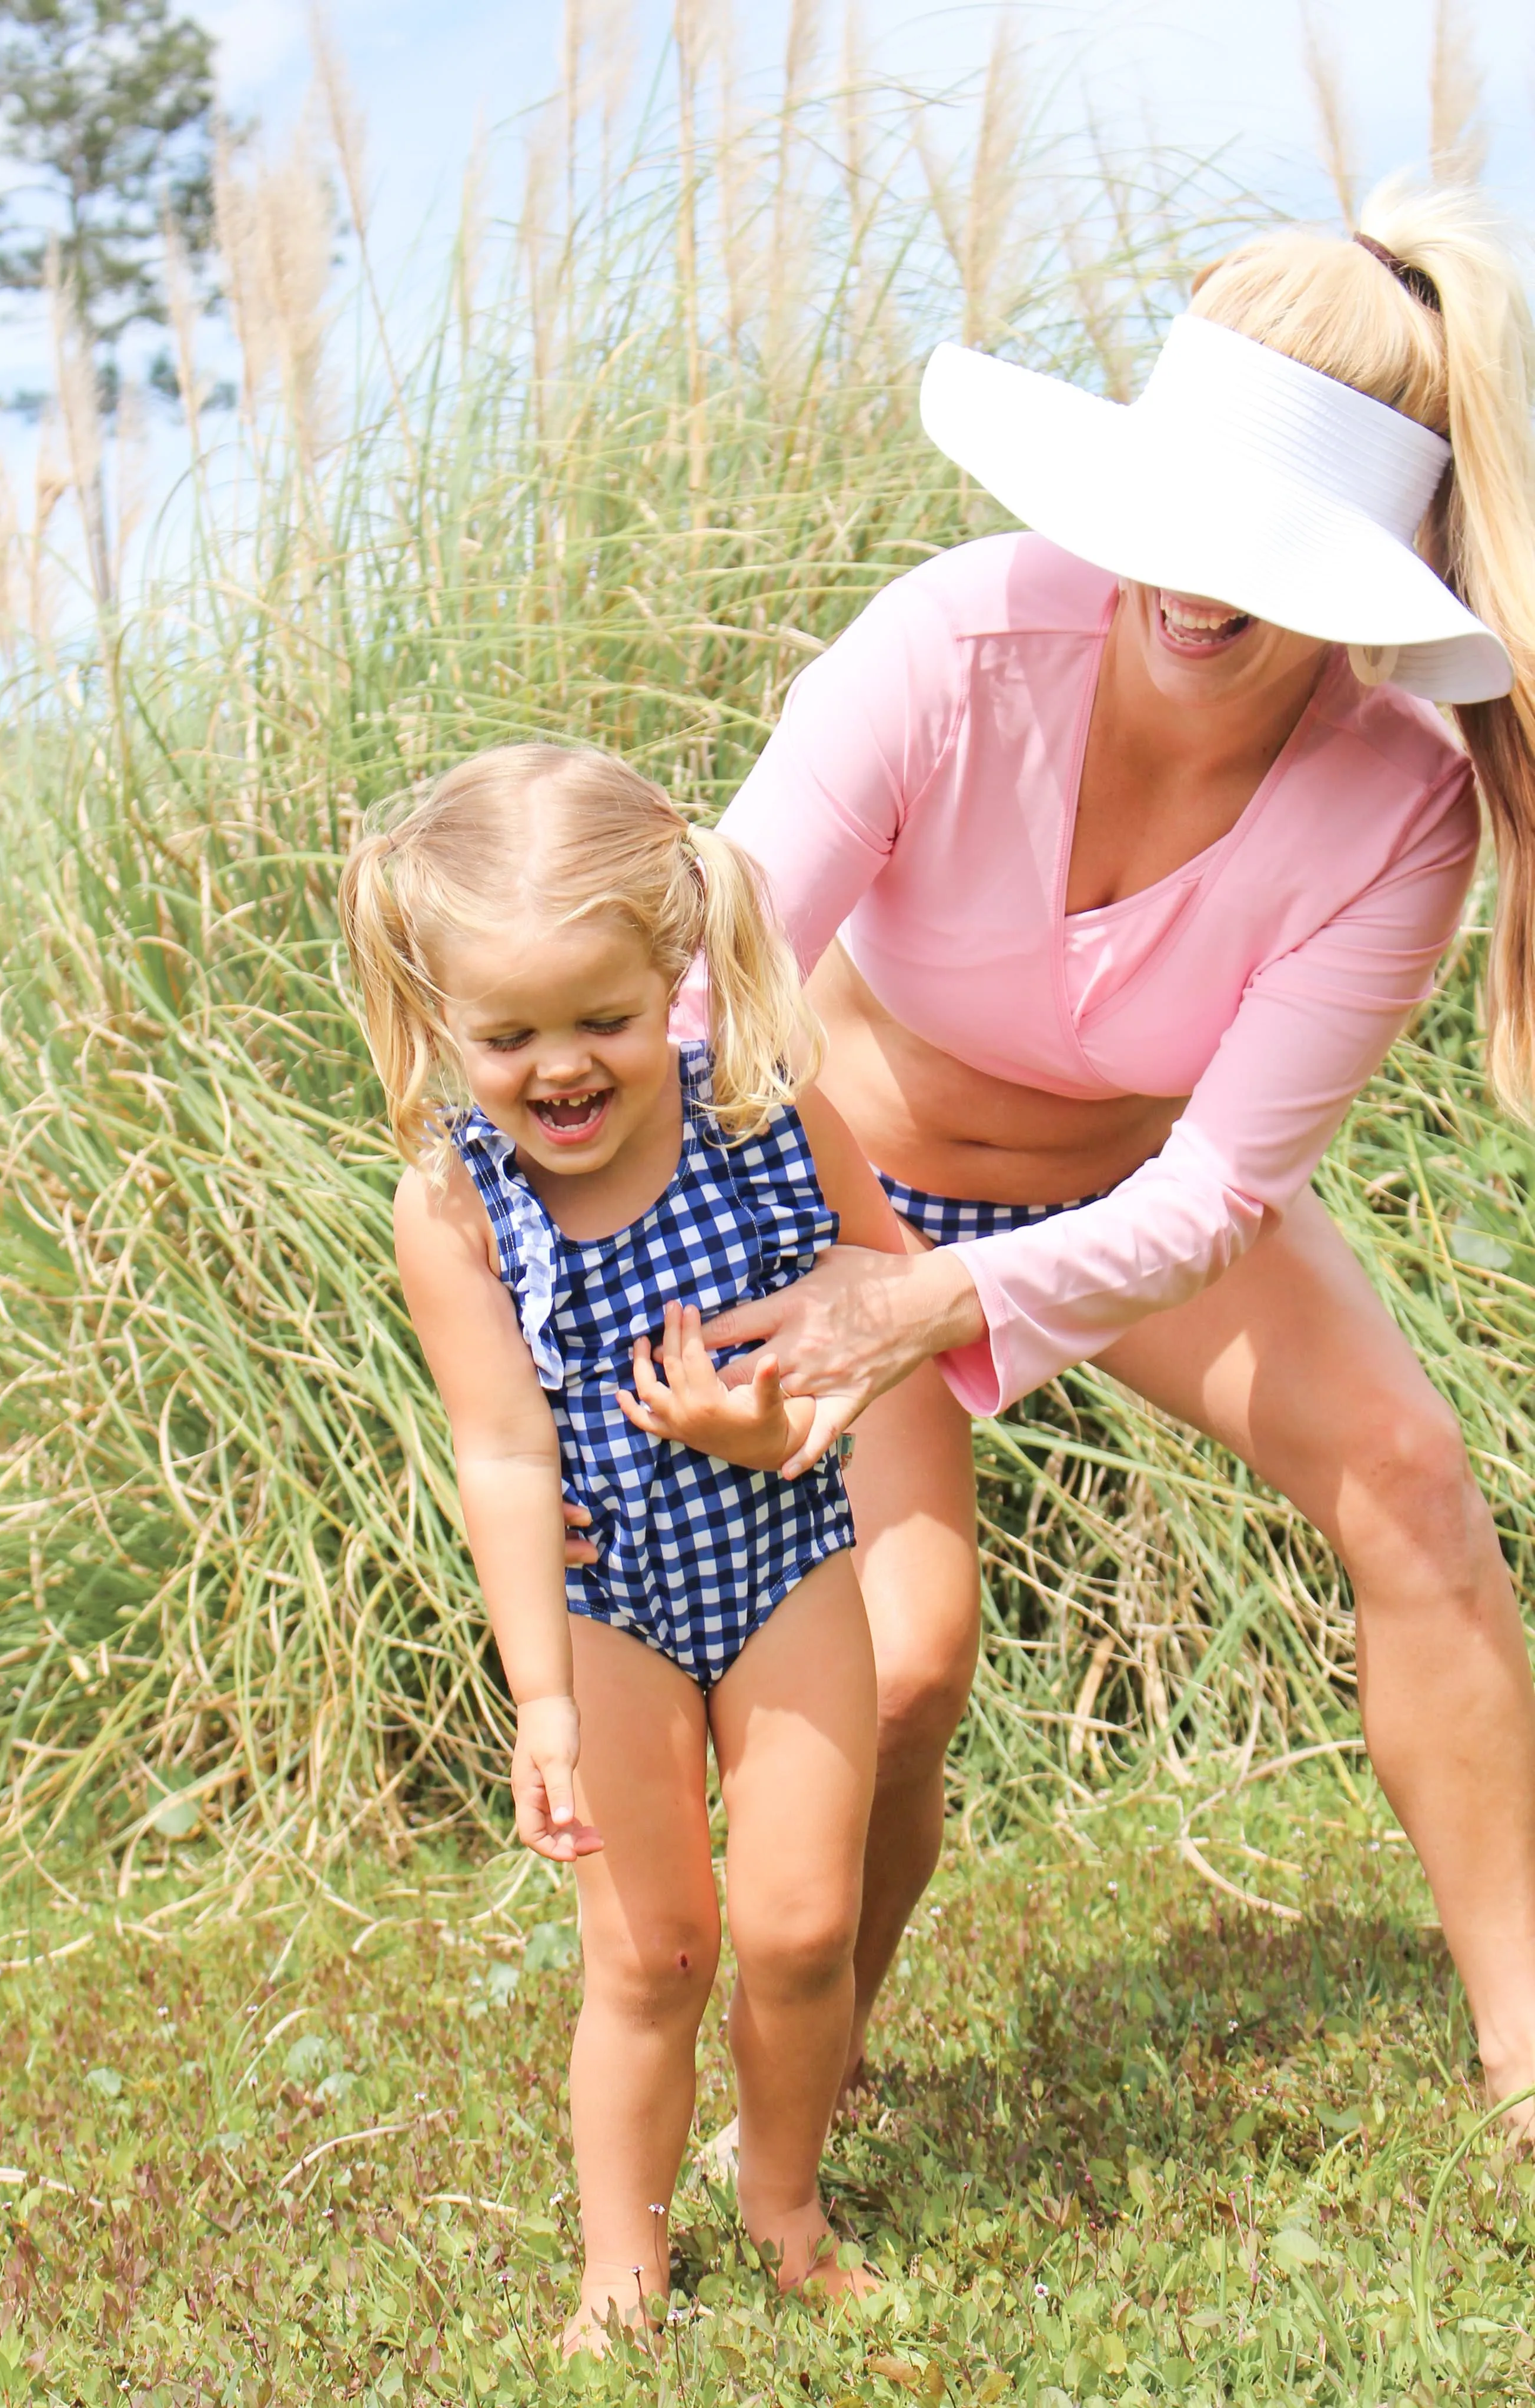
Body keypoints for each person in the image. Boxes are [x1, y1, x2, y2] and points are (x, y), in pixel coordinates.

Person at [694, 179, 1535, 2125]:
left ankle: (1523, 2047)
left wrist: (962, 1293)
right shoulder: (951, 642)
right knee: (908, 1665)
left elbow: (1220, 1193)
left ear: (1369, 567)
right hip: (852, 1191)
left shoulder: (1398, 811)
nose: (1188, 580)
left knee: (1412, 1477)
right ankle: (811, 2079)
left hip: (1135, 1205)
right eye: (1171, 508)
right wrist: (807, 1270)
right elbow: (719, 981)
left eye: (1260, 545)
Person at [337, 745, 900, 2352]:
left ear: (676, 973)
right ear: (444, 1023)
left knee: (799, 1927)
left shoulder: (775, 1122)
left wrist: (772, 1417)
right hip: (604, 1608)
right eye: (507, 1035)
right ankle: (622, 2264)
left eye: (602, 1017)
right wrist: (543, 1698)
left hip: (783, 1552)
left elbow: (892, 1301)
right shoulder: (460, 1203)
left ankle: (785, 2204)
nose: (561, 1067)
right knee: (651, 1950)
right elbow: (504, 1449)